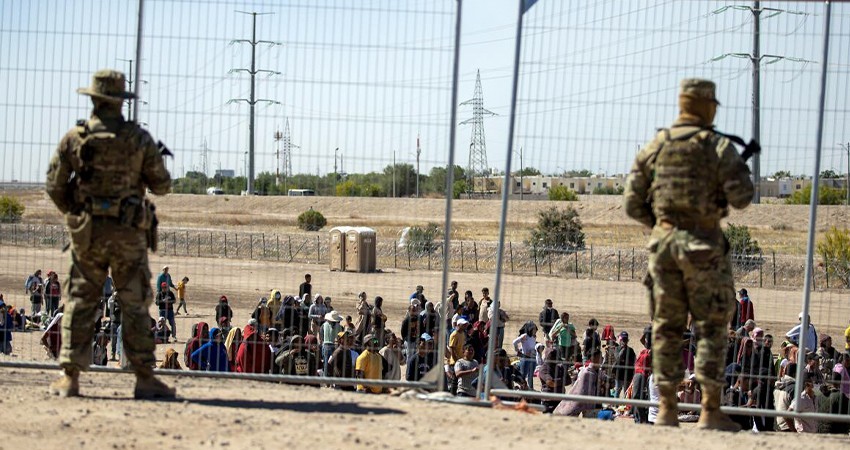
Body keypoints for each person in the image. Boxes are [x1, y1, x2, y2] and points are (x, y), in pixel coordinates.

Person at [624, 79, 754, 430]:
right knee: (710, 327)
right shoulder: (717, 145)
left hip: (664, 249)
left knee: (666, 327)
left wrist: (661, 226)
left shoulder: (657, 144)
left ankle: (667, 409)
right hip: (704, 248)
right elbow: (743, 196)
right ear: (707, 107)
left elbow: (632, 202)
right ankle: (710, 411)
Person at [45, 69, 174, 399]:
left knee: (80, 301)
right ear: (120, 102)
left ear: (94, 100)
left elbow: (54, 185)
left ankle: (70, 377)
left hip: (88, 234)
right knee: (134, 303)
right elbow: (161, 185)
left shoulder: (76, 138)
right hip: (128, 234)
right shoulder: (138, 138)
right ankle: (144, 377)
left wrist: (77, 211)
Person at [512, 321, 539, 390]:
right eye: (534, 329)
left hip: (533, 358)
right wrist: (517, 350)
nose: (535, 331)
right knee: (523, 375)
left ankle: (531, 389)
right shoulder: (525, 336)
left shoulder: (533, 336)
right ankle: (522, 389)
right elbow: (514, 342)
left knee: (531, 375)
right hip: (525, 358)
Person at [320, 311, 343, 376]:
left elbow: (322, 337)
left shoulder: (323, 325)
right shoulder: (340, 327)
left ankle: (326, 378)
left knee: (326, 364)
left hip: (326, 346)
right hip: (336, 346)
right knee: (335, 364)